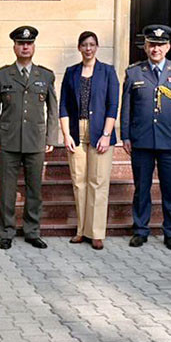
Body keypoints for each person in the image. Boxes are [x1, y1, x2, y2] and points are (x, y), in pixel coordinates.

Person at [120, 24, 171, 251]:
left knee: (170, 189)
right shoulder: (134, 72)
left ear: (169, 47)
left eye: (161, 45)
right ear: (145, 46)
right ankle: (140, 230)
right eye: (152, 44)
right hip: (141, 140)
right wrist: (125, 135)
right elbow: (127, 107)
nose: (156, 49)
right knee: (141, 188)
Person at [0, 26, 59, 250]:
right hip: (9, 141)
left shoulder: (45, 75)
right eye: (21, 43)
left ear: (34, 46)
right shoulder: (1, 75)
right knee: (7, 190)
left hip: (36, 140)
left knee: (34, 189)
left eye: (28, 43)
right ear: (14, 47)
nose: (25, 47)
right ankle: (7, 231)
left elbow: (53, 109)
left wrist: (51, 137)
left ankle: (32, 231)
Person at [59, 31, 119, 250]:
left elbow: (113, 105)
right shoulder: (71, 72)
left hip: (100, 132)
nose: (88, 48)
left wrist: (106, 134)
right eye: (84, 44)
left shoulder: (108, 72)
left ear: (97, 47)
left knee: (98, 183)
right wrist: (66, 135)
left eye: (92, 44)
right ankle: (81, 230)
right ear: (79, 47)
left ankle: (96, 232)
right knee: (79, 182)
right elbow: (63, 105)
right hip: (77, 132)